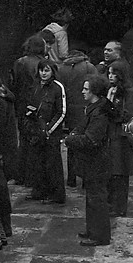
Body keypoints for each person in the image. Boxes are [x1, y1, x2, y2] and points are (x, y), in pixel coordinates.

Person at [64, 74, 113, 246]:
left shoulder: (98, 113)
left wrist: (69, 140)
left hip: (97, 163)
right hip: (94, 162)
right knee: (92, 198)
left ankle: (99, 236)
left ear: (95, 92)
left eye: (86, 89)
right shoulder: (95, 108)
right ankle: (93, 230)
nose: (82, 91)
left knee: (96, 199)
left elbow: (91, 140)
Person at [25, 59, 67, 204]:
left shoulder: (57, 87)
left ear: (52, 71)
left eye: (47, 70)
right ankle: (39, 191)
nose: (43, 73)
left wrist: (49, 130)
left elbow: (61, 112)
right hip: (36, 130)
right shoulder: (35, 86)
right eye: (42, 70)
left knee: (52, 164)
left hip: (51, 133)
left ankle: (56, 195)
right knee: (37, 163)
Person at [57, 49, 98, 187]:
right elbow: (97, 85)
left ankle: (71, 179)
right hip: (85, 109)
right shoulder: (88, 67)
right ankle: (86, 179)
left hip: (69, 111)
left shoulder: (61, 68)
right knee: (86, 145)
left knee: (72, 143)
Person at [10, 35, 46, 185]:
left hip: (23, 106)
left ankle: (22, 175)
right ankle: (34, 177)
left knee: (24, 141)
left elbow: (14, 84)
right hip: (40, 105)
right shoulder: (44, 64)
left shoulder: (20, 62)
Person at [106, 60, 133, 217]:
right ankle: (112, 204)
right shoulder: (110, 90)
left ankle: (119, 207)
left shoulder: (127, 93)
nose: (110, 76)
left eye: (113, 73)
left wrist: (111, 111)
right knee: (112, 172)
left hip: (121, 137)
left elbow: (128, 114)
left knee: (120, 173)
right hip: (111, 135)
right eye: (109, 73)